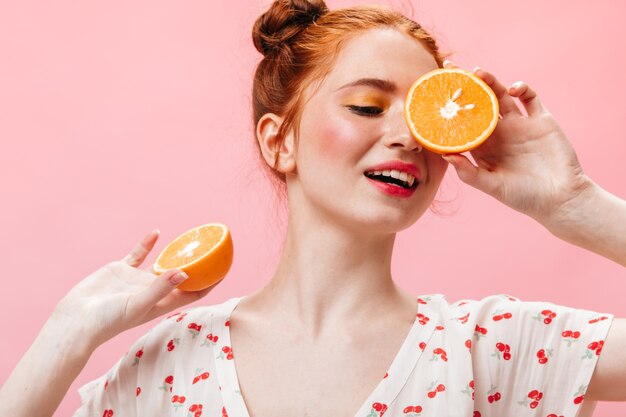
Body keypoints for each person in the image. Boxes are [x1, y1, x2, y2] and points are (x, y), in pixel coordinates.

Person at [1, 1, 625, 416]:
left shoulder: (493, 346)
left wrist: (577, 204)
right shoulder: (172, 363)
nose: (407, 137)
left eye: (426, 118)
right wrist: (67, 335)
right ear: (280, 141)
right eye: (366, 107)